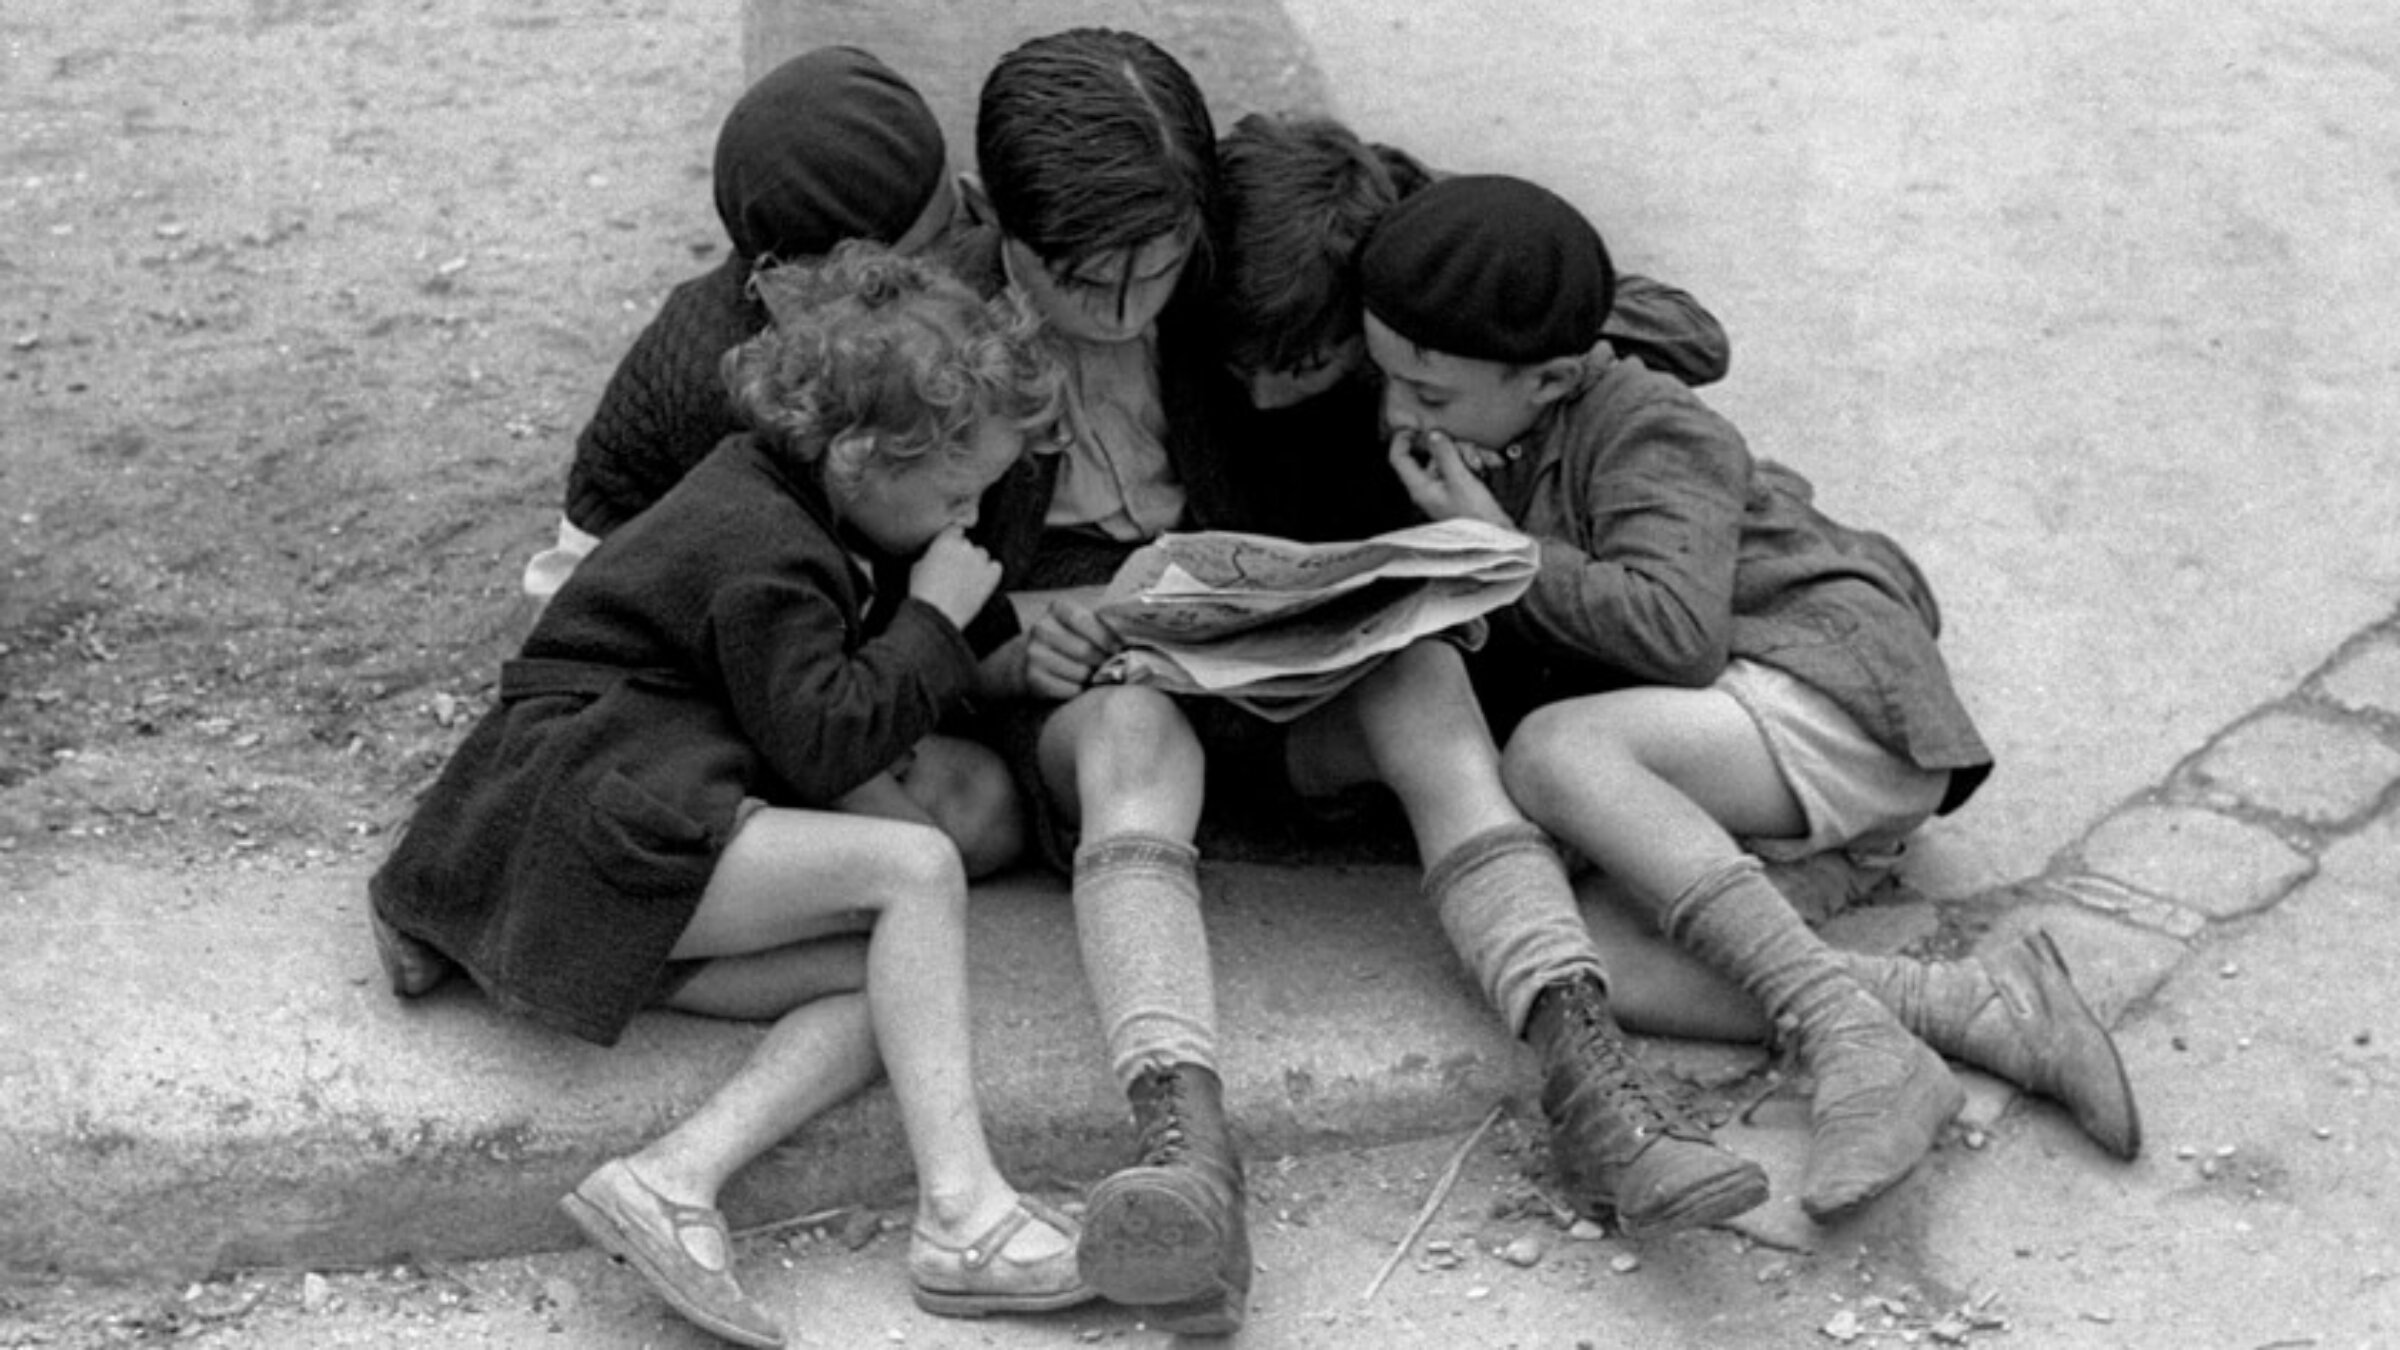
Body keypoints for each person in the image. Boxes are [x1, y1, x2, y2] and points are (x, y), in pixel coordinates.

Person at [946, 30, 1773, 1335]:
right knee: (1131, 738)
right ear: (1008, 231)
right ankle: (1183, 1149)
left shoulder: (1233, 266)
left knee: (1423, 679)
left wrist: (1536, 323)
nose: (1130, 309)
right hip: (1092, 689)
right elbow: (866, 570)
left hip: (1266, 665)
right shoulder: (942, 322)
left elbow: (1596, 313)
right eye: (1087, 282)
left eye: (1161, 272)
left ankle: (1596, 1084)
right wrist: (1012, 639)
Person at [1353, 173, 2141, 1221]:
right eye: (1387, 377)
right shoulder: (1495, 420)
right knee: (1604, 958)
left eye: (1431, 394)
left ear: (1547, 378)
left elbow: (1676, 635)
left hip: (1833, 691)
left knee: (1552, 754)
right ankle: (1976, 1008)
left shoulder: (1648, 422)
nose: (1399, 412)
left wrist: (1500, 552)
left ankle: (1847, 1035)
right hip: (1750, 745)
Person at [368, 245, 1091, 1346]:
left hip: (629, 831)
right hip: (603, 819)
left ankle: (670, 1180)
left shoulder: (806, 500)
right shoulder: (762, 546)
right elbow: (819, 742)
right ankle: (963, 1217)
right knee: (916, 871)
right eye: (955, 490)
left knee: (893, 979)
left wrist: (964, 624)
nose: (970, 514)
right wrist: (935, 621)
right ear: (859, 455)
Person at [517, 44, 1020, 877]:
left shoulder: (840, 344)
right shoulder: (747, 392)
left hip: (781, 636)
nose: (958, 256)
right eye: (926, 250)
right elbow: (771, 643)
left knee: (985, 810)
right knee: (935, 847)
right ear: (809, 285)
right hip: (665, 676)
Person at [1206, 111, 1732, 544]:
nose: (1266, 398)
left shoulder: (1432, 249)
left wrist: (1485, 317)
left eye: (1307, 366)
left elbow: (1697, 342)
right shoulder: (1224, 245)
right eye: (1238, 369)